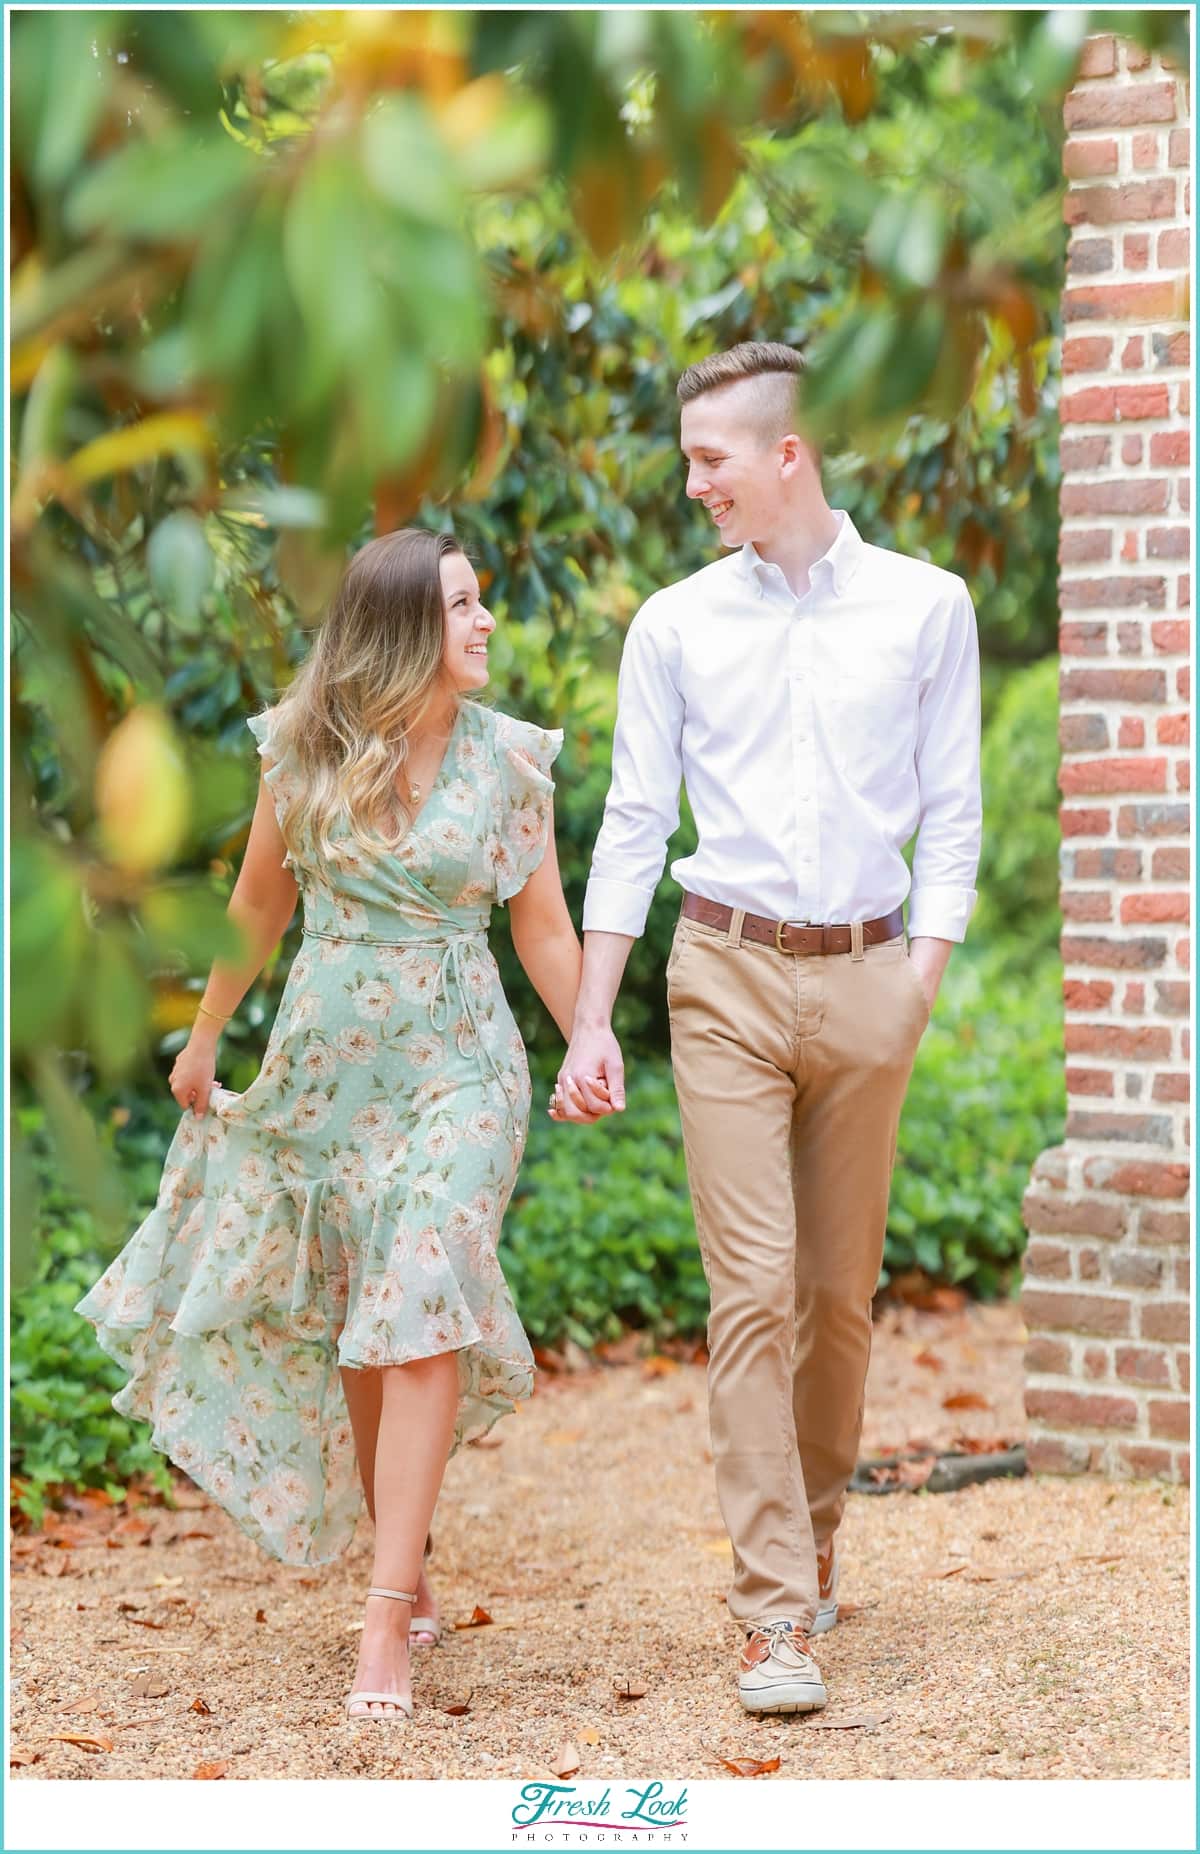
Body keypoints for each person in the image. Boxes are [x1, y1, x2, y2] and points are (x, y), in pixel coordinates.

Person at [78, 527, 593, 1723]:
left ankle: (384, 1613)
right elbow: (256, 908)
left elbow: (545, 931)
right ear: (405, 625)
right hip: (325, 1068)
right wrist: (206, 1035)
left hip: (465, 1063)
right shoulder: (301, 749)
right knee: (371, 1309)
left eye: (483, 604)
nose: (485, 625)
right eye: (463, 606)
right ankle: (401, 1562)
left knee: (419, 1281)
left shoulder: (512, 762)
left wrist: (590, 1035)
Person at [551, 341, 982, 1716]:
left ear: (785, 451)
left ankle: (819, 1524)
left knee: (836, 1302)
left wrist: (917, 980)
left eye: (710, 461)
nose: (694, 487)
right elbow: (632, 820)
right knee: (747, 1294)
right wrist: (590, 1015)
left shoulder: (929, 607)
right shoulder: (674, 624)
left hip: (868, 979)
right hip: (723, 973)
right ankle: (774, 1610)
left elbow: (956, 812)